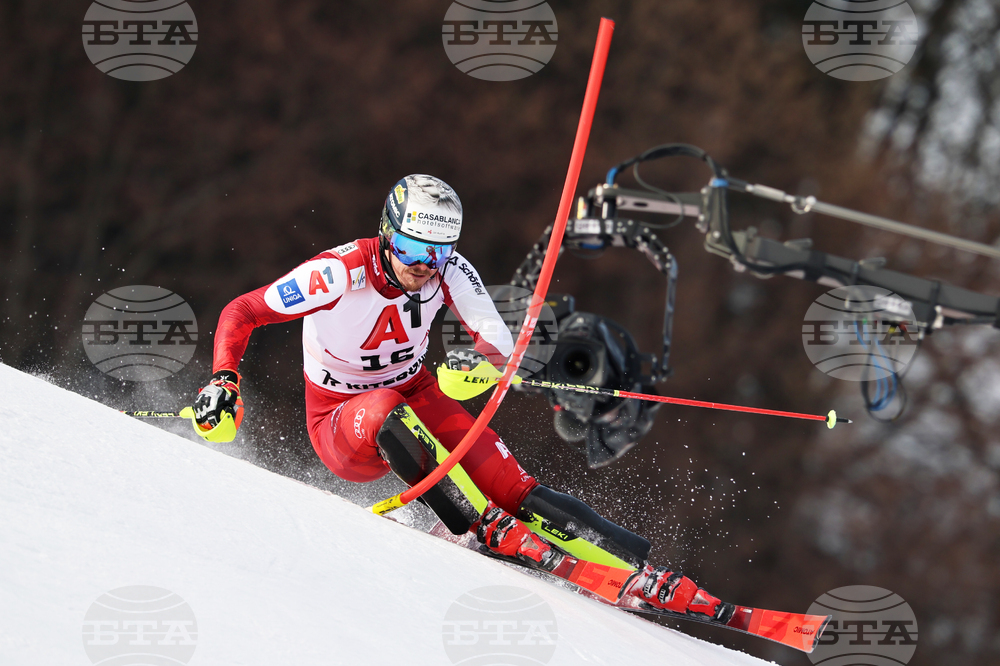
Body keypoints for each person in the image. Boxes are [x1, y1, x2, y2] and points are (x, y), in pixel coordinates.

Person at [186, 174, 725, 620]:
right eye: (411, 247)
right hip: (339, 419)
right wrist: (224, 380)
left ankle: (636, 567)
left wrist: (481, 365)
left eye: (437, 250)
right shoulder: (336, 273)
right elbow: (243, 311)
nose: (423, 263)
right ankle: (472, 526)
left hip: (415, 392)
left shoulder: (449, 271)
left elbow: (498, 343)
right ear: (388, 234)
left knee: (510, 484)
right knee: (383, 412)